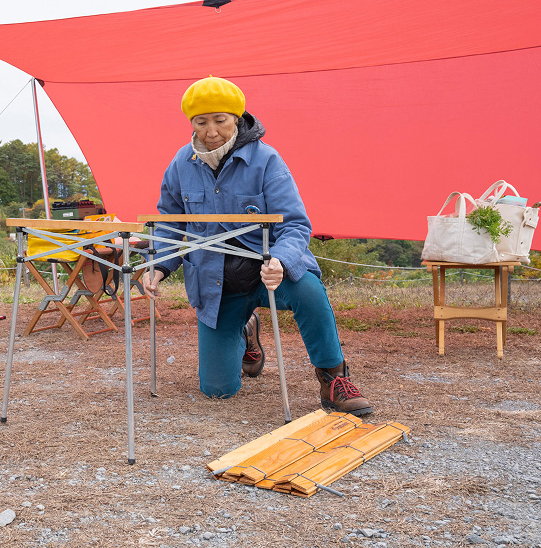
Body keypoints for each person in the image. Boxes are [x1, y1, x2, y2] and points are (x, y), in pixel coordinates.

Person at [141, 76, 372, 416]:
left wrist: (280, 259)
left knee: (308, 289)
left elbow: (295, 224)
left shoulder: (266, 160)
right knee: (218, 390)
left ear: (237, 118)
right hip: (217, 283)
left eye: (219, 120)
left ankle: (333, 378)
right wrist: (159, 267)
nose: (211, 130)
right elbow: (169, 221)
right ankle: (247, 331)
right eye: (201, 122)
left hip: (271, 272)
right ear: (191, 123)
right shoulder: (181, 163)